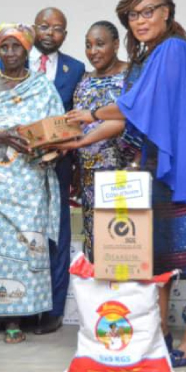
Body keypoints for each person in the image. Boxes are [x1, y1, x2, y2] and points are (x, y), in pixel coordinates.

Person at [66, 0, 186, 367]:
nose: (141, 20)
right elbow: (130, 117)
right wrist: (77, 142)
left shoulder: (175, 49)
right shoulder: (146, 57)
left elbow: (136, 106)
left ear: (167, 13)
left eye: (149, 12)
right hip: (161, 155)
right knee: (159, 247)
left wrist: (92, 116)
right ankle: (159, 332)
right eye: (134, 15)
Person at [0, 8, 85, 335]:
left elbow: (58, 130)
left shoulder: (42, 86)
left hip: (30, 180)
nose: (11, 53)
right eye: (4, 47)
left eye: (17, 46)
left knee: (25, 246)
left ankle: (19, 315)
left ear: (26, 48)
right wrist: (4, 136)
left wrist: (44, 145)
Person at [53, 21, 141, 260]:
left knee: (126, 243)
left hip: (125, 174)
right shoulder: (83, 80)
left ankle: (126, 297)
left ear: (115, 44)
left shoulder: (132, 75)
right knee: (97, 242)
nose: (93, 51)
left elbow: (131, 118)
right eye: (88, 46)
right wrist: (74, 165)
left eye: (100, 44)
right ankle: (101, 297)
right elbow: (76, 125)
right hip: (90, 176)